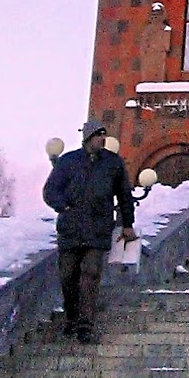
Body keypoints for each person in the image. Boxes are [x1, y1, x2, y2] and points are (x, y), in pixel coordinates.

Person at [42, 119, 136, 342]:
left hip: (98, 229)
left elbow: (124, 195)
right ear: (88, 138)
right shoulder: (68, 162)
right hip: (71, 229)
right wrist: (63, 205)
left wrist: (128, 224)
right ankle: (71, 318)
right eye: (98, 135)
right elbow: (50, 190)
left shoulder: (113, 163)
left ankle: (85, 324)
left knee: (91, 274)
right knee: (68, 276)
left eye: (104, 135)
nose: (102, 139)